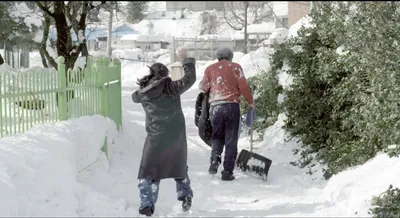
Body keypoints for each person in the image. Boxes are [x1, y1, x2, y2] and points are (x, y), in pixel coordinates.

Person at [131, 47, 196, 216]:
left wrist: (143, 86)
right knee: (179, 166)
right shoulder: (172, 87)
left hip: (155, 136)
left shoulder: (143, 93)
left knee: (149, 170)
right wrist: (186, 59)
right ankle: (186, 194)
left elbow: (134, 96)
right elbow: (190, 78)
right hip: (175, 135)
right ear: (165, 75)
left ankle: (147, 202)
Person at [199, 47, 254, 181]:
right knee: (231, 139)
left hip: (215, 108)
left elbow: (203, 87)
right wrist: (250, 102)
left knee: (217, 136)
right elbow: (243, 86)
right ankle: (227, 171)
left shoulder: (210, 69)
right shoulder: (235, 67)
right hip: (231, 106)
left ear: (218, 57)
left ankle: (214, 161)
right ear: (230, 56)